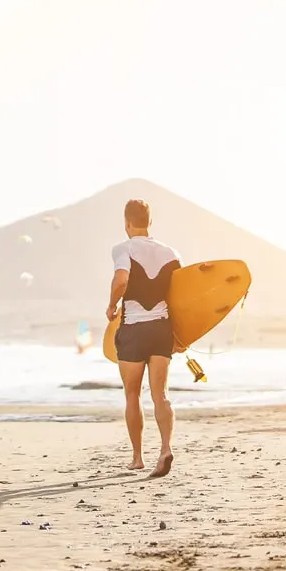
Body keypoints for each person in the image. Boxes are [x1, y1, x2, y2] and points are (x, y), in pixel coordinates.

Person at [106, 199, 182, 478]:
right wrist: (182, 333)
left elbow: (121, 281)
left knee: (132, 393)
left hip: (134, 330)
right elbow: (182, 296)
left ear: (127, 222)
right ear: (150, 223)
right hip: (162, 328)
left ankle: (137, 457)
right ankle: (165, 448)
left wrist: (112, 305)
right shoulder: (171, 252)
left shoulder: (123, 248)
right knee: (161, 394)